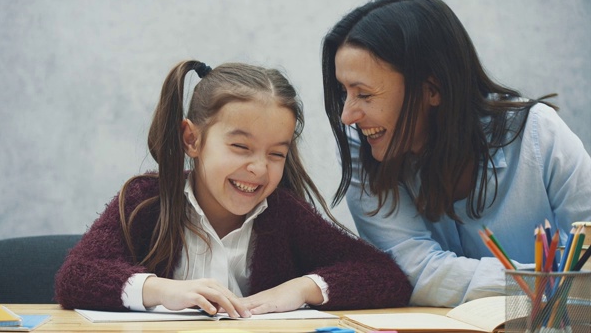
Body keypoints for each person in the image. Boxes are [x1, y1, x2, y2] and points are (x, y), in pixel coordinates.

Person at [55, 60, 412, 316]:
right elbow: (76, 277)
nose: (258, 168)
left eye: (276, 153)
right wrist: (164, 290)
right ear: (192, 139)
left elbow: (386, 276)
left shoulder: (285, 214)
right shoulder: (145, 201)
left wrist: (300, 288)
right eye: (240, 147)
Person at [321, 0, 591, 307]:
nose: (347, 116)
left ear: (432, 89)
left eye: (364, 95)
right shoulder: (363, 150)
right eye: (344, 92)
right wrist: (547, 283)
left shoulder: (536, 133)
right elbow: (414, 272)